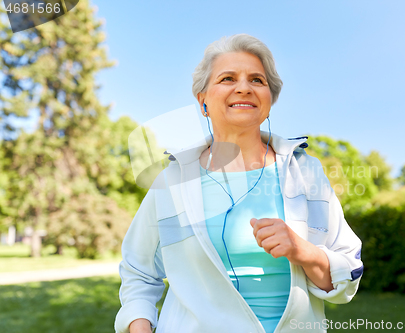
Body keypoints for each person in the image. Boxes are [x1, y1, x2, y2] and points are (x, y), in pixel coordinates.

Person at [115, 33, 363, 333]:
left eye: (257, 80)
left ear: (269, 101)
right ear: (203, 100)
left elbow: (345, 278)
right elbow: (138, 271)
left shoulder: (306, 171)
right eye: (228, 78)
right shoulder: (174, 180)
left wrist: (304, 252)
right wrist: (139, 327)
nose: (244, 88)